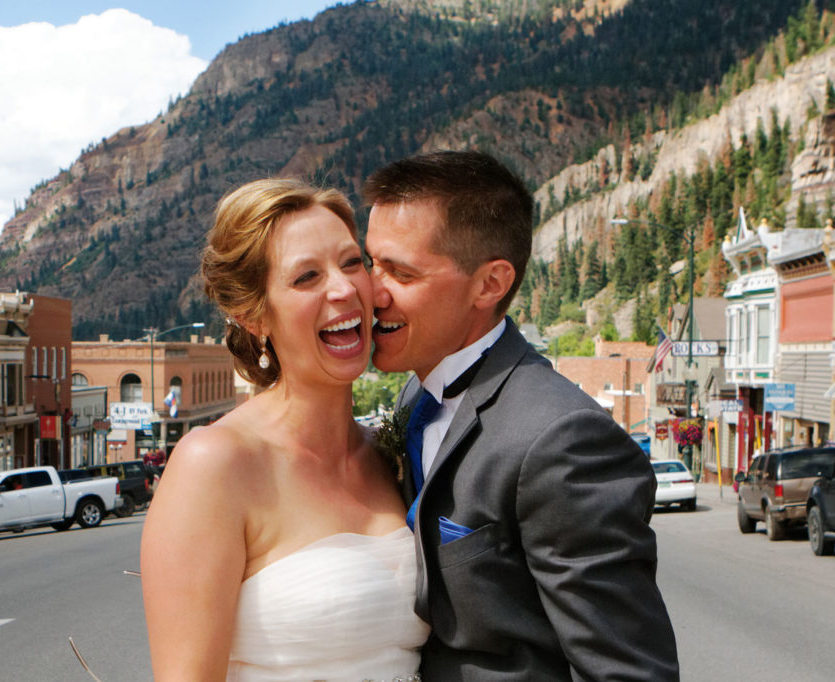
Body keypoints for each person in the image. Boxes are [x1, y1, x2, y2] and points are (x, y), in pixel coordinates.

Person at [363, 150, 679, 681]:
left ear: (490, 284)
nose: (371, 292)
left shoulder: (562, 440)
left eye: (400, 271)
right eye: (371, 263)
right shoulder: (413, 400)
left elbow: (628, 671)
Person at [141, 178, 429, 681]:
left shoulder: (392, 454)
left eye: (352, 262)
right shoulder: (213, 464)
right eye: (306, 277)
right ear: (254, 316)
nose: (343, 289)